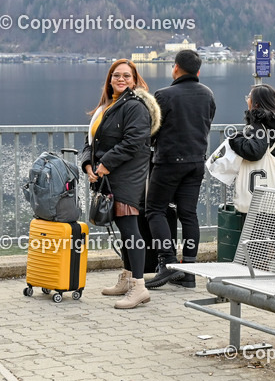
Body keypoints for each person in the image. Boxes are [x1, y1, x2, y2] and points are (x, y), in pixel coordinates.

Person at [85, 59, 162, 309]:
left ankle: (139, 287)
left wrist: (105, 163)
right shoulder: (108, 106)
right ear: (109, 80)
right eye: (116, 76)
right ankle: (128, 278)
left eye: (126, 76)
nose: (120, 80)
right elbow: (91, 142)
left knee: (131, 230)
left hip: (127, 177)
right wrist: (88, 164)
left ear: (135, 80)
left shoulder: (135, 106)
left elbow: (134, 141)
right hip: (108, 176)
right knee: (123, 229)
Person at [145, 50, 217, 290]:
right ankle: (189, 272)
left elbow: (153, 129)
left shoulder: (163, 95)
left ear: (175, 68)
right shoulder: (207, 94)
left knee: (155, 210)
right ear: (198, 71)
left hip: (167, 162)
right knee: (189, 214)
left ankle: (167, 263)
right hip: (196, 162)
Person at [229, 85, 275, 215]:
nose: (247, 100)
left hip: (260, 185)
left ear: (256, 103)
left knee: (254, 229)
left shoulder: (260, 124)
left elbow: (255, 151)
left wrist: (235, 138)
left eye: (249, 97)